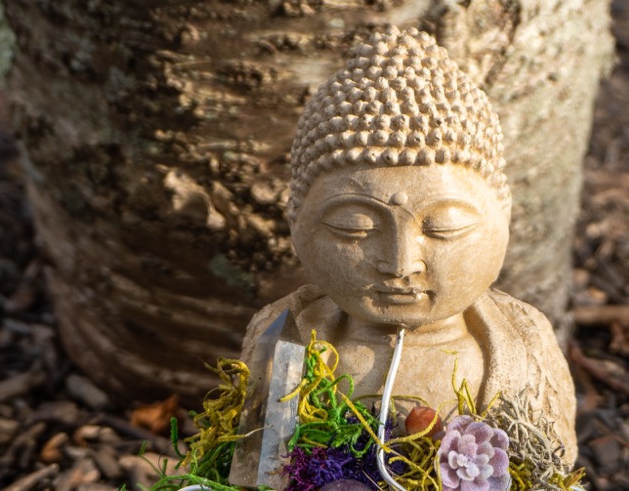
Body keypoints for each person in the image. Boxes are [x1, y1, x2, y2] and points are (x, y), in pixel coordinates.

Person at [240, 26, 578, 467]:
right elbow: (256, 481)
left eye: (443, 227)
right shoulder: (285, 336)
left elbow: (551, 483)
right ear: (296, 222)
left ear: (503, 218)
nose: (400, 263)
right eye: (355, 227)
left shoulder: (521, 343)